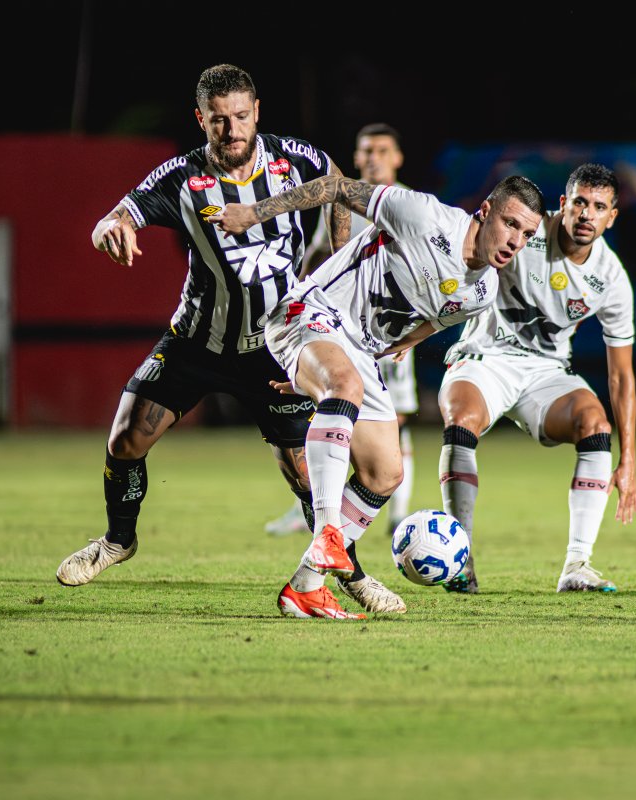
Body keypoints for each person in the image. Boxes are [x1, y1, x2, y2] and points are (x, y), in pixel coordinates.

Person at [55, 64, 406, 607]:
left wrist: (335, 256)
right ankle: (116, 541)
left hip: (277, 347)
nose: (232, 129)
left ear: (256, 111)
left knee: (311, 480)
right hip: (197, 340)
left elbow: (339, 185)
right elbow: (119, 214)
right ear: (201, 119)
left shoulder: (294, 160)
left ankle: (348, 573)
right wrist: (110, 230)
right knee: (126, 437)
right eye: (218, 120)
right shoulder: (181, 177)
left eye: (241, 116)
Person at [211, 174, 545, 618]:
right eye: (510, 224)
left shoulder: (481, 290)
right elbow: (335, 188)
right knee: (344, 386)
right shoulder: (423, 215)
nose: (515, 241)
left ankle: (306, 585)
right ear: (485, 211)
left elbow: (432, 320)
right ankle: (328, 533)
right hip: (309, 312)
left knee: (387, 473)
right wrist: (254, 213)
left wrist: (324, 367)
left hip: (355, 353)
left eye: (527, 234)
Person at [437, 163, 636, 594]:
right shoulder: (525, 232)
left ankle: (577, 565)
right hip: (485, 358)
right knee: (461, 419)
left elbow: (621, 376)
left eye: (599, 207)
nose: (587, 214)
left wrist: (630, 459)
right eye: (580, 202)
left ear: (612, 216)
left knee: (595, 426)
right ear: (563, 205)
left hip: (546, 373)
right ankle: (462, 560)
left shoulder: (612, 278)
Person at [265, 124, 419, 538]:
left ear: (398, 158)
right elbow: (322, 251)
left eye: (383, 150)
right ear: (354, 157)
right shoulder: (344, 201)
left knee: (394, 419)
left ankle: (397, 511)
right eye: (366, 150)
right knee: (333, 405)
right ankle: (319, 507)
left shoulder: (410, 206)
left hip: (387, 331)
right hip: (336, 322)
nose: (373, 158)